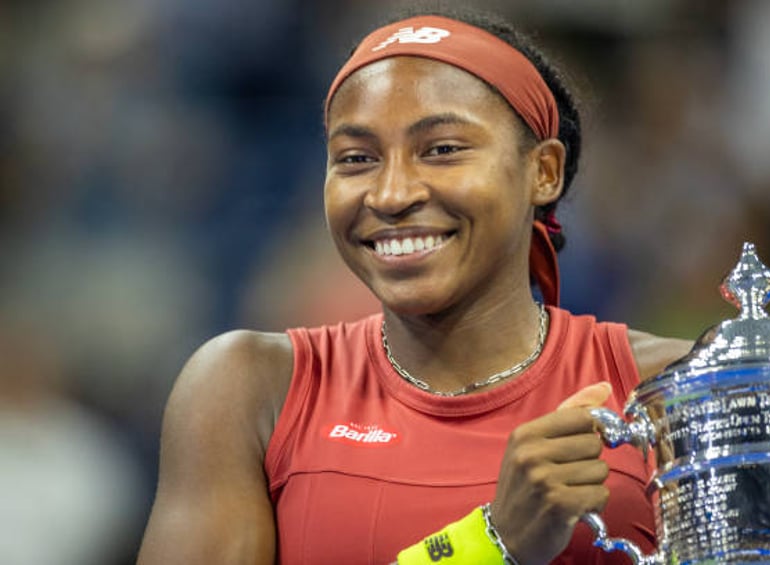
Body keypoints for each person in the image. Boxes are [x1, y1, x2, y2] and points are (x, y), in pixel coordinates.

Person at [137, 8, 693, 565]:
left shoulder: (677, 390)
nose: (391, 193)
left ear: (543, 171)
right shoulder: (245, 392)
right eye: (356, 159)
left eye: (443, 149)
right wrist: (491, 543)